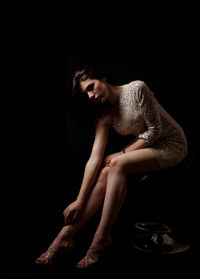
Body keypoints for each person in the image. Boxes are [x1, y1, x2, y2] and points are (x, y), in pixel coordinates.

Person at [35, 63, 188, 268]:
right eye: (86, 94)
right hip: (145, 148)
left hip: (172, 144)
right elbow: (94, 158)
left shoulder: (137, 88)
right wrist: (80, 199)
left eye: (91, 87)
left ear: (102, 78)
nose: (90, 96)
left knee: (116, 163)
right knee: (107, 170)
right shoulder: (106, 113)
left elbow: (155, 132)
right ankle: (65, 236)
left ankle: (101, 237)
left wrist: (123, 153)